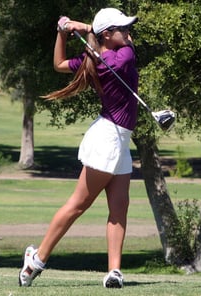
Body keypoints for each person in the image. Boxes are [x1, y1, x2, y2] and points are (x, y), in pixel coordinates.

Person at [19, 8, 138, 289]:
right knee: (78, 204)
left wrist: (65, 32)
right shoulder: (122, 56)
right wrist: (84, 29)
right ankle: (36, 260)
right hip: (107, 138)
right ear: (108, 35)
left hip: (119, 139)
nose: (128, 32)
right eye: (121, 28)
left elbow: (59, 63)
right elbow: (128, 45)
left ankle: (114, 272)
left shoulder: (94, 58)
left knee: (119, 207)